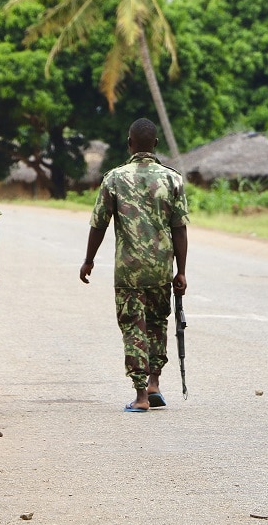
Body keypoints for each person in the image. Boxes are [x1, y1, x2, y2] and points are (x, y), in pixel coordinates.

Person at [80, 118, 189, 412]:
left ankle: (141, 396)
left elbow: (98, 225)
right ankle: (154, 383)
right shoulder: (172, 179)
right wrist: (181, 270)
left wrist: (89, 260)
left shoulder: (114, 179)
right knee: (157, 324)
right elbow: (180, 228)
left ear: (129, 143)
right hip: (160, 269)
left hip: (128, 271)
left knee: (133, 328)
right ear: (155, 144)